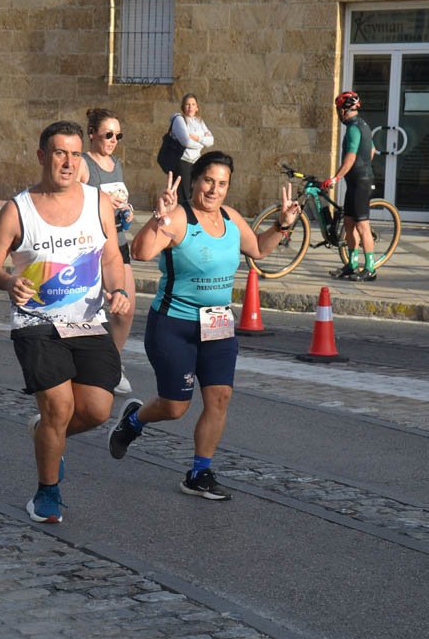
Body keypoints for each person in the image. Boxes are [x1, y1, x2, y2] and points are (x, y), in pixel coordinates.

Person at [108, 151, 300, 500]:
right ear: (195, 180)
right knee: (175, 406)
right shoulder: (179, 217)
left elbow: (258, 249)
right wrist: (158, 219)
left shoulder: (231, 219)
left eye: (222, 183)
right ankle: (134, 420)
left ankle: (199, 473)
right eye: (208, 180)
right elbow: (140, 252)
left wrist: (283, 225)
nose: (214, 189)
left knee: (220, 397)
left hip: (218, 325)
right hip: (174, 325)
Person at [0, 120, 130, 524]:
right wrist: (8, 281)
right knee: (59, 407)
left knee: (97, 410)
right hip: (37, 322)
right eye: (60, 153)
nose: (68, 162)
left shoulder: (98, 202)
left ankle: (45, 432)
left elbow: (111, 257)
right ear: (42, 155)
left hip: (87, 321)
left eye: (75, 154)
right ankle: (47, 492)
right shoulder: (19, 209)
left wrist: (118, 288)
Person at [76, 108, 135, 395]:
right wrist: (99, 202)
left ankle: (114, 362)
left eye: (118, 136)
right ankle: (87, 369)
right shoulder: (83, 163)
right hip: (91, 246)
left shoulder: (116, 164)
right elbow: (71, 199)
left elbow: (120, 200)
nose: (113, 140)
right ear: (92, 134)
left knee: (125, 309)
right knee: (90, 313)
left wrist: (127, 210)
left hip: (119, 241)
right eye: (108, 134)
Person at [323, 91, 377, 282]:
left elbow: (350, 158)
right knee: (348, 223)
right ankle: (352, 264)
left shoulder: (354, 128)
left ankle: (370, 268)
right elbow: (372, 150)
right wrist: (364, 167)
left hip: (361, 183)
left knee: (362, 225)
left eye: (338, 109)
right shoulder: (364, 125)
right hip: (356, 181)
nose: (338, 113)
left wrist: (335, 178)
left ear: (344, 110)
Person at [169, 94, 214, 206]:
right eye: (187, 104)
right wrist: (202, 142)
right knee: (183, 196)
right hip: (183, 162)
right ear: (183, 106)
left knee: (193, 194)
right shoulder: (179, 120)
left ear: (197, 107)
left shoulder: (199, 121)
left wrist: (197, 138)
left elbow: (211, 141)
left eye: (193, 104)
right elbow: (186, 142)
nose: (190, 107)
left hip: (196, 162)